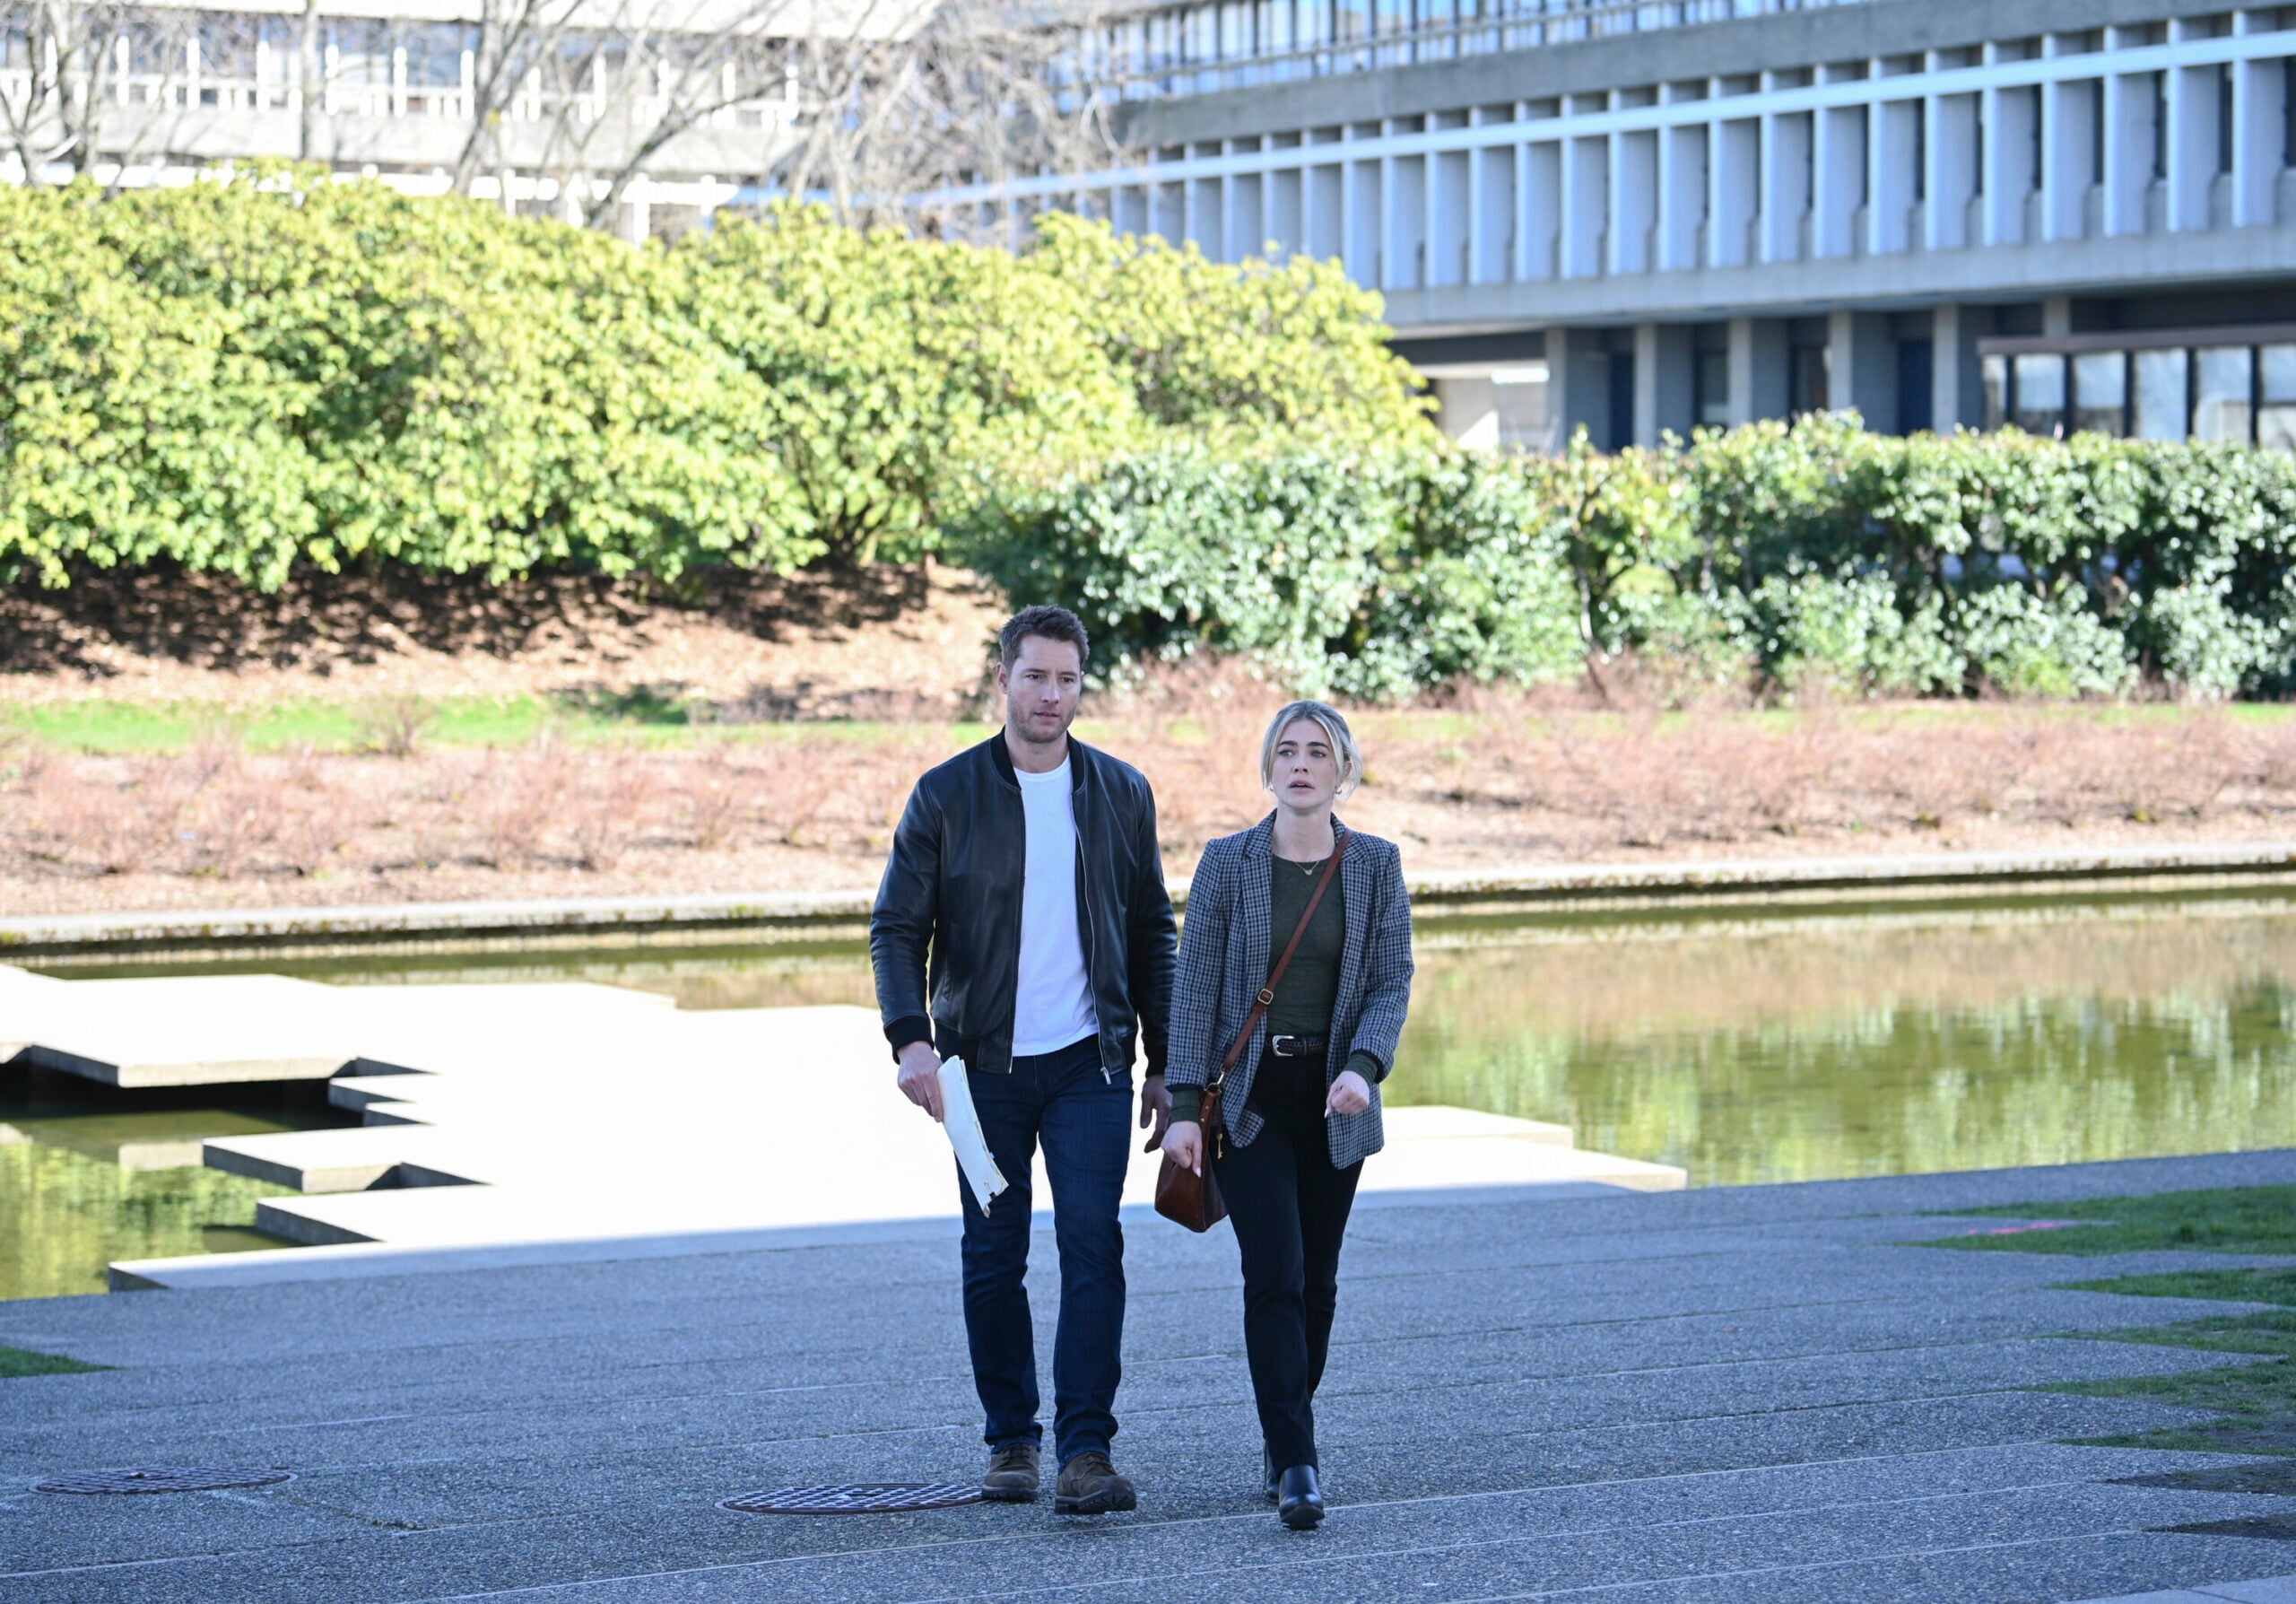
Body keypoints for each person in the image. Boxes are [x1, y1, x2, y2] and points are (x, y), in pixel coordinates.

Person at [870, 605, 1177, 1515]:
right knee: (993, 1254)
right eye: (1034, 676)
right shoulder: (946, 794)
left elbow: (1152, 931)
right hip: (979, 1074)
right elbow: (897, 927)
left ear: (1083, 686)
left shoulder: (1121, 791)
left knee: (1094, 1247)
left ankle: (1087, 1452)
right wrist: (910, 1037)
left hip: (1090, 1067)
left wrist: (1165, 1061)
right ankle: (1012, 1439)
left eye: (1067, 679)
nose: (1050, 694)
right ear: (1000, 680)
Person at [1161, 700, 1413, 1530]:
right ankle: (1298, 1460)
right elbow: (1194, 991)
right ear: (1268, 768)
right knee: (1274, 1275)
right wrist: (1187, 1105)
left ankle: (1283, 1428)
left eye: (1318, 752)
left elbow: (1391, 981)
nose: (1301, 764)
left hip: (1333, 1103)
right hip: (1250, 1105)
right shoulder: (1227, 863)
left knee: (1318, 1287)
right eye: (1287, 751)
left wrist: (1362, 1069)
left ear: (1344, 770)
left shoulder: (1375, 865)